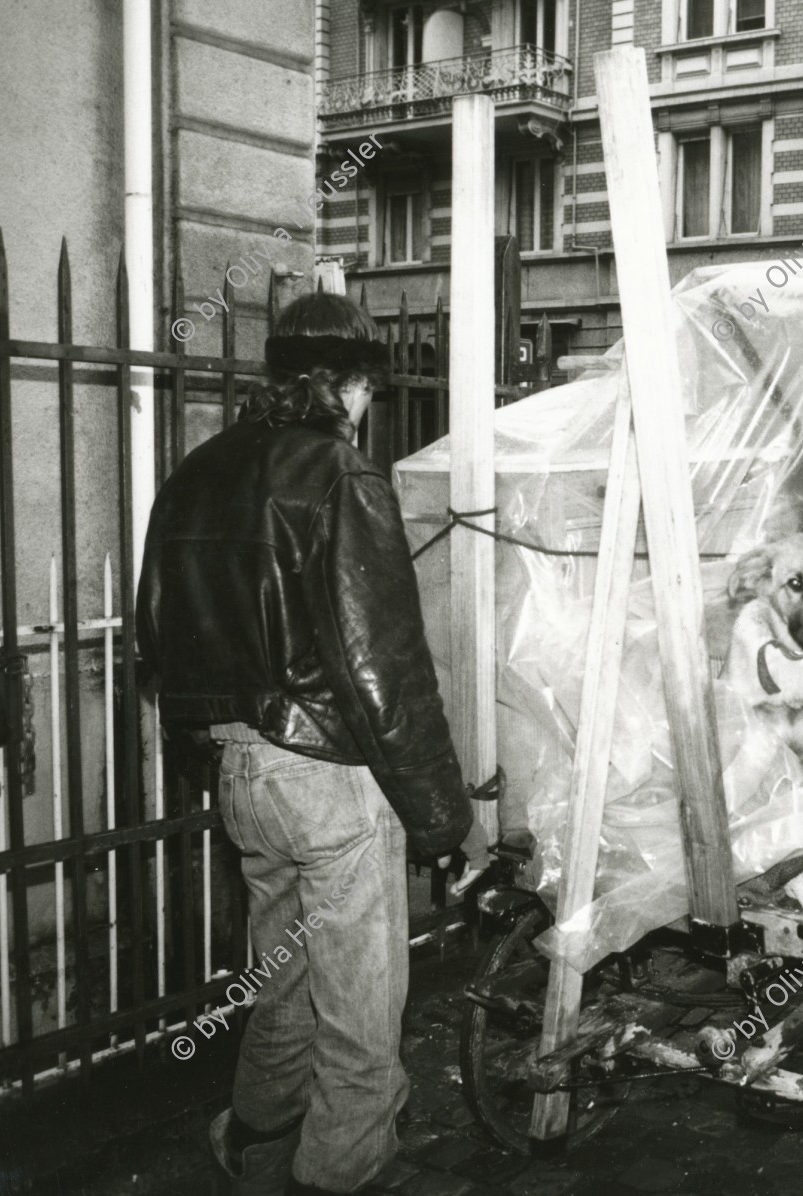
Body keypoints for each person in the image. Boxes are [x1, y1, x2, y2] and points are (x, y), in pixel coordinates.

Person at [139, 293, 484, 1195]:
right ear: (355, 384)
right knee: (361, 1003)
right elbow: (386, 669)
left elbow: (155, 637)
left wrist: (210, 750)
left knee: (283, 977)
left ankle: (257, 1137)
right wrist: (441, 813)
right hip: (329, 769)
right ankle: (343, 1173)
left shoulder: (195, 472)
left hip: (240, 769)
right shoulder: (343, 474)